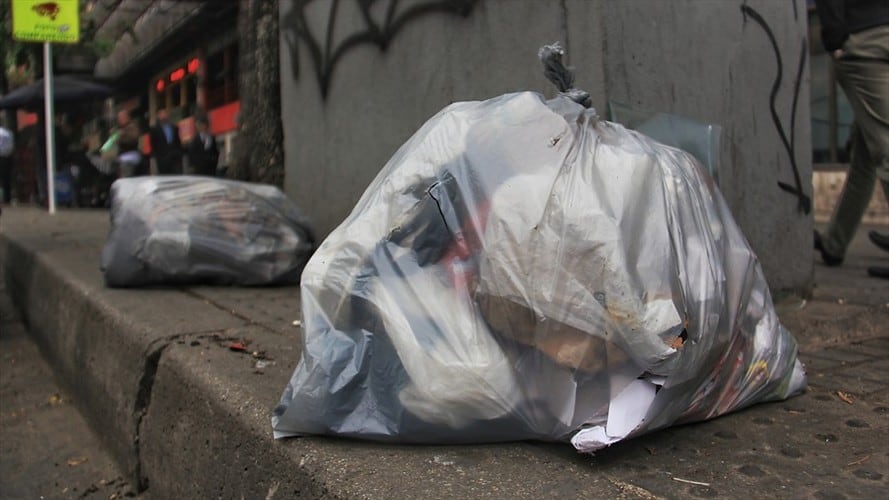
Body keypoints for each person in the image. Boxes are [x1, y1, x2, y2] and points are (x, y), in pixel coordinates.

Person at [812, 0, 889, 280]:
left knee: (874, 149)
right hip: (865, 37)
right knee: (872, 148)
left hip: (867, 36)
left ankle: (835, 242)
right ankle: (835, 242)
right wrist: (836, 37)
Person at [110, 109, 145, 178]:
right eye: (119, 118)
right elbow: (112, 141)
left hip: (131, 157)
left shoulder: (132, 126)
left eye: (123, 117)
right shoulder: (117, 129)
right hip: (121, 158)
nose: (120, 119)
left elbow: (133, 139)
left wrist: (121, 136)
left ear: (127, 117)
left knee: (127, 178)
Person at [149, 108, 183, 175]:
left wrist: (179, 153)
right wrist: (157, 157)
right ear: (158, 116)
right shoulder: (154, 129)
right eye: (161, 114)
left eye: (165, 113)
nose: (163, 115)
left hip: (174, 157)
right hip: (162, 158)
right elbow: (153, 144)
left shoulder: (174, 127)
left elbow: (178, 141)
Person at [0, 123, 13, 204]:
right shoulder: (8, 133)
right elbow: (11, 147)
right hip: (7, 157)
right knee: (6, 178)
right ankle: (7, 198)